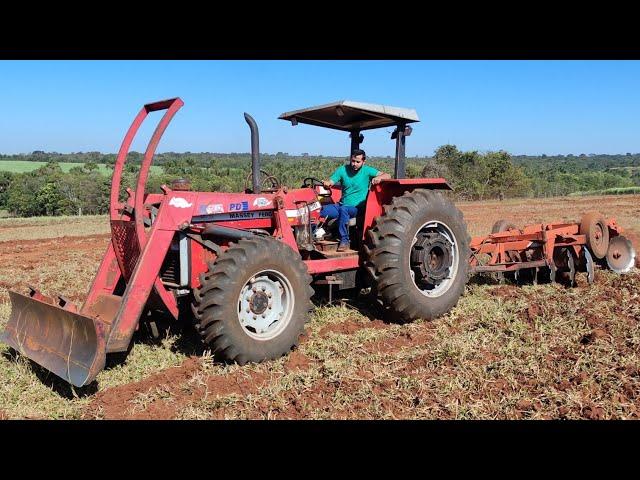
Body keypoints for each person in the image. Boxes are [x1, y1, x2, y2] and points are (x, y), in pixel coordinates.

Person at [321, 149, 391, 251]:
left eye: (358, 162)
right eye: (353, 161)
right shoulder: (342, 170)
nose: (354, 164)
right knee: (321, 210)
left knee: (343, 210)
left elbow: (387, 175)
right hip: (341, 204)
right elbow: (331, 181)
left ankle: (344, 240)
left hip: (357, 208)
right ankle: (317, 234)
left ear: (363, 162)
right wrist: (327, 183)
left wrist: (380, 178)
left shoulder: (367, 171)